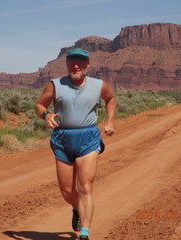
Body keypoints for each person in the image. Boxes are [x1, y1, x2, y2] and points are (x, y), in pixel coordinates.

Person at [35, 47, 116, 240]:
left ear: (88, 64)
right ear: (67, 64)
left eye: (80, 62)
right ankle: (76, 208)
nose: (76, 66)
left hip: (88, 138)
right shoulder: (55, 85)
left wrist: (110, 121)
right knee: (67, 191)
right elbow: (39, 105)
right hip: (62, 139)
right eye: (72, 62)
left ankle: (85, 233)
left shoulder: (99, 85)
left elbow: (110, 99)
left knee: (85, 186)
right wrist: (46, 115)